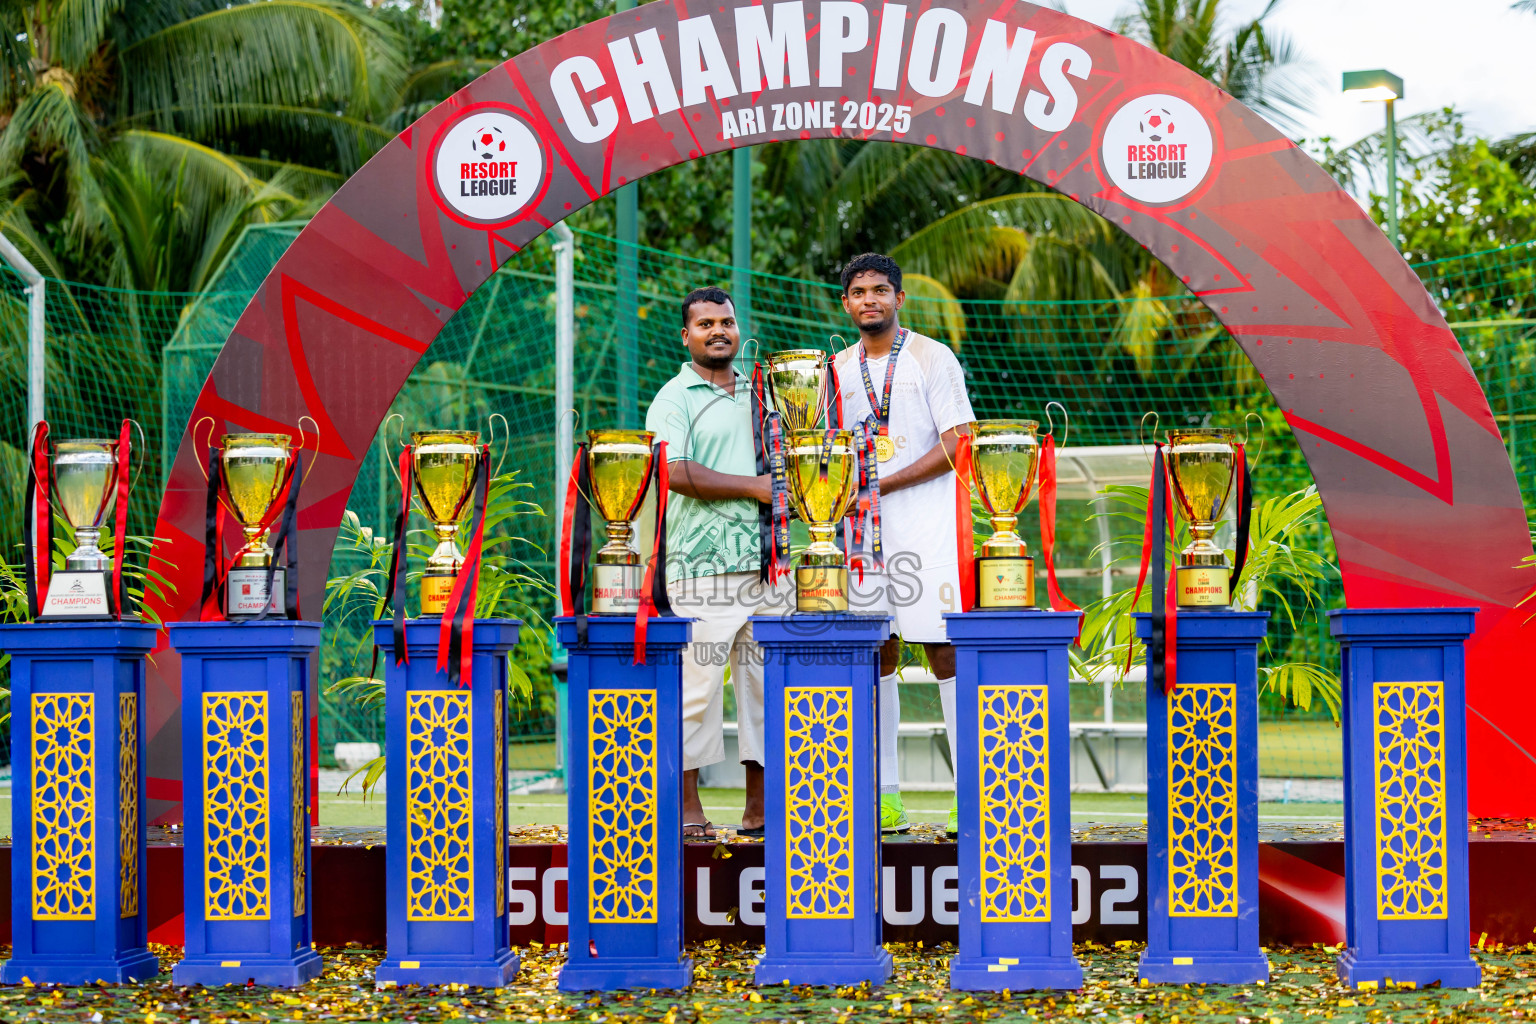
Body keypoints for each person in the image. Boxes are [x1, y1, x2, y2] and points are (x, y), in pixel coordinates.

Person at [833, 253, 974, 836]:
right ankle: (884, 795)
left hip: (927, 530)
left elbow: (958, 442)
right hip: (860, 535)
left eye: (880, 290)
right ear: (846, 303)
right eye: (859, 291)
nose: (870, 299)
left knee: (944, 653)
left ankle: (971, 795)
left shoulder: (932, 357)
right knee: (877, 654)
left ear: (899, 298)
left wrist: (879, 482)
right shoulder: (834, 369)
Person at [645, 286, 787, 839]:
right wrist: (755, 487)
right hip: (702, 566)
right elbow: (674, 471)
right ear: (686, 336)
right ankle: (686, 810)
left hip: (769, 564)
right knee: (696, 692)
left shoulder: (764, 392)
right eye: (705, 324)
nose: (718, 331)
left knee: (767, 691)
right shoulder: (673, 398)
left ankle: (760, 811)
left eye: (726, 322)